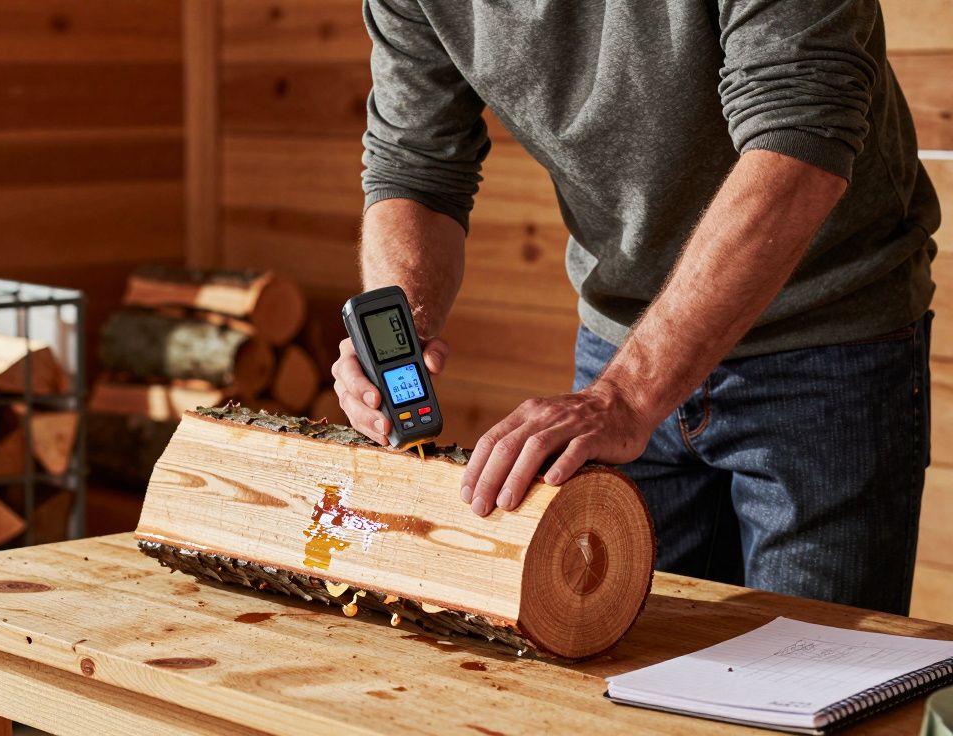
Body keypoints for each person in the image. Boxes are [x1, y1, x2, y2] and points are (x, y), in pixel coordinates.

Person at [330, 0, 940, 615]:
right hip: (620, 345)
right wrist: (398, 322)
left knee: (806, 680)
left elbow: (799, 139)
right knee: (609, 662)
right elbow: (413, 167)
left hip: (825, 340)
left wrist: (626, 396)